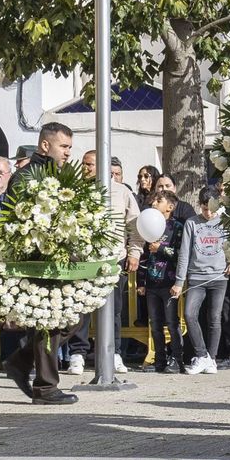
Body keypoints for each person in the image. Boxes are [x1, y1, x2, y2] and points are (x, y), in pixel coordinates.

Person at [1, 121, 78, 404]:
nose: (68, 152)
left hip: (57, 260)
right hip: (37, 261)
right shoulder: (26, 177)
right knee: (50, 320)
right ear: (45, 145)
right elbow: (22, 220)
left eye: (70, 147)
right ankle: (45, 387)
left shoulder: (57, 174)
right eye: (64, 146)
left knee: (69, 319)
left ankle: (20, 363)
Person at [79, 148, 140, 376]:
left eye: (90, 165)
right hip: (84, 260)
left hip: (114, 259)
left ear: (102, 167)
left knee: (113, 310)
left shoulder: (122, 192)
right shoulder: (76, 191)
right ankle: (79, 353)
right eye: (83, 164)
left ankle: (113, 353)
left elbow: (134, 225)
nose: (85, 168)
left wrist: (134, 252)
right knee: (81, 309)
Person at [172, 186, 230, 375]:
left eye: (212, 208)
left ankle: (212, 359)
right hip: (196, 277)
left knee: (215, 318)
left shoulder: (225, 222)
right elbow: (184, 253)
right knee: (190, 314)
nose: (208, 213)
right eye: (204, 208)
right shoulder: (191, 223)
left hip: (219, 277)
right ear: (199, 206)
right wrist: (178, 282)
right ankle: (201, 355)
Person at [138, 189, 185, 373]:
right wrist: (142, 282)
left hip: (169, 282)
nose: (154, 204)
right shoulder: (148, 223)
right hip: (152, 284)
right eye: (153, 201)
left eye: (159, 201)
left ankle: (178, 360)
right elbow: (144, 256)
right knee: (155, 324)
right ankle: (159, 360)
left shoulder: (177, 228)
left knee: (172, 323)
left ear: (170, 207)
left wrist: (162, 249)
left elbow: (181, 255)